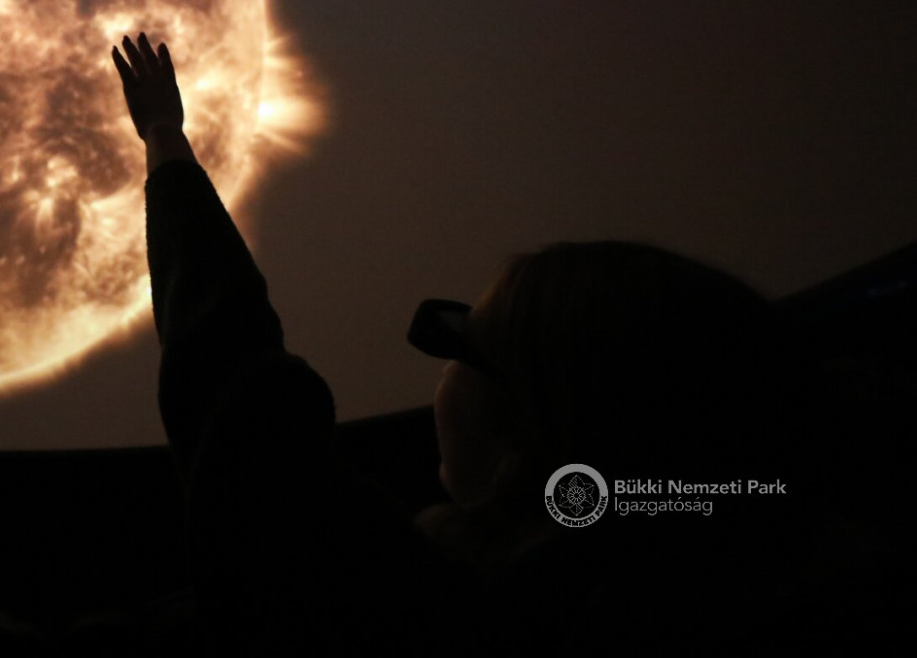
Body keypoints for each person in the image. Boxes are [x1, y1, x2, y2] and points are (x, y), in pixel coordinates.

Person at [110, 32, 847, 656]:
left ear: (522, 431)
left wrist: (165, 140)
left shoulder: (418, 618)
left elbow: (238, 395)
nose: (442, 367)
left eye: (465, 343)